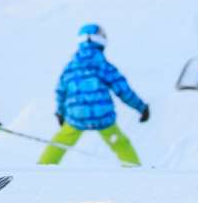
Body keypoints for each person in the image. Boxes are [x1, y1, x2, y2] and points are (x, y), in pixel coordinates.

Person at [39, 24, 147, 167]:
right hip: (102, 116)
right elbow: (123, 90)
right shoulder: (103, 65)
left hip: (77, 115)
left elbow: (61, 92)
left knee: (60, 142)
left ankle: (44, 166)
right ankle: (134, 167)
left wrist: (60, 113)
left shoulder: (70, 66)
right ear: (101, 41)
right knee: (120, 143)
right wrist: (141, 107)